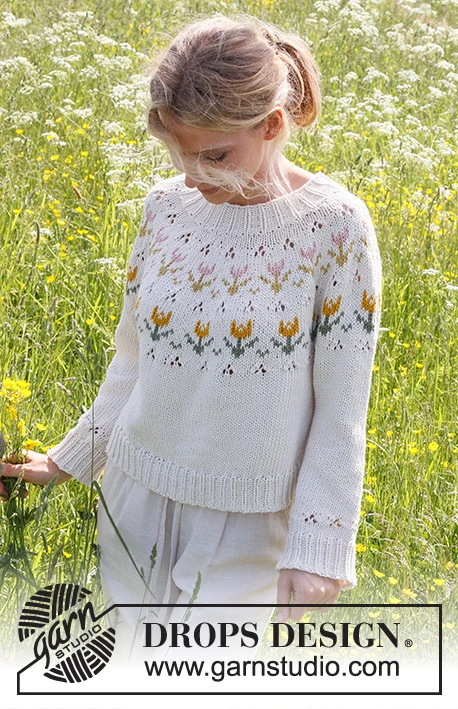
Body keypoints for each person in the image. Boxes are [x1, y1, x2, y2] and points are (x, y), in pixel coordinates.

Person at [0, 15, 383, 663]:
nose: (191, 175)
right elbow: (132, 360)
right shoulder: (165, 208)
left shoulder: (335, 227)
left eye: (214, 156)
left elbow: (342, 410)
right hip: (133, 495)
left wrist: (320, 545)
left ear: (273, 125)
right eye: (179, 153)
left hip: (249, 522)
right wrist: (70, 459)